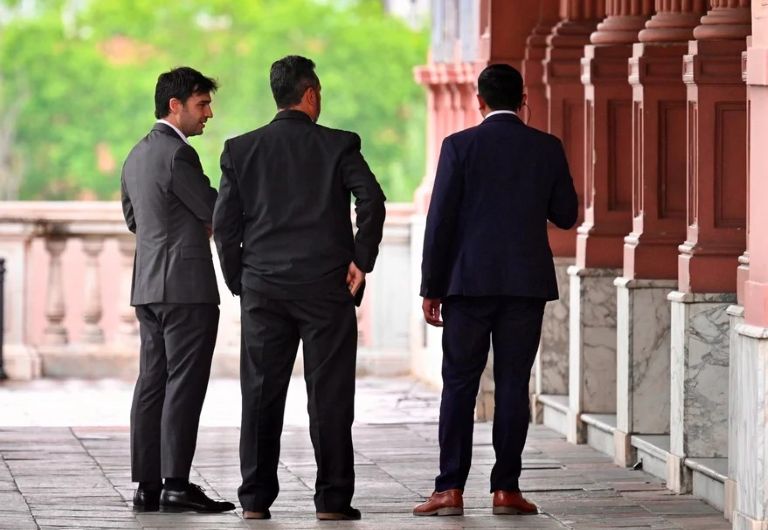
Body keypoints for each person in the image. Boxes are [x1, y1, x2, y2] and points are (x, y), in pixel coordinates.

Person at [213, 55, 386, 521]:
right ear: (310, 95)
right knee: (330, 397)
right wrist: (361, 260)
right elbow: (371, 200)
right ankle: (332, 501)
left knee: (260, 394)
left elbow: (224, 226)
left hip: (263, 288)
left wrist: (240, 280)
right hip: (326, 288)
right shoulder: (338, 145)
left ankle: (255, 500)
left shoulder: (240, 150)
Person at [413, 63, 578, 517]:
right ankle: (506, 489)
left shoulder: (459, 146)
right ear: (523, 100)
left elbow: (439, 222)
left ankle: (449, 489)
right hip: (525, 285)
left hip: (467, 286)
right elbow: (566, 214)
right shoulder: (546, 147)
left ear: (479, 100)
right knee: (512, 385)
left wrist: (432, 287)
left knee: (459, 384)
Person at [121, 66, 235, 513]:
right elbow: (215, 210)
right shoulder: (179, 155)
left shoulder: (135, 155)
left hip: (147, 286)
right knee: (183, 385)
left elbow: (136, 220)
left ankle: (148, 486)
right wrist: (202, 224)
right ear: (175, 105)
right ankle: (176, 484)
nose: (208, 113)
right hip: (186, 288)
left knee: (152, 383)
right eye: (201, 104)